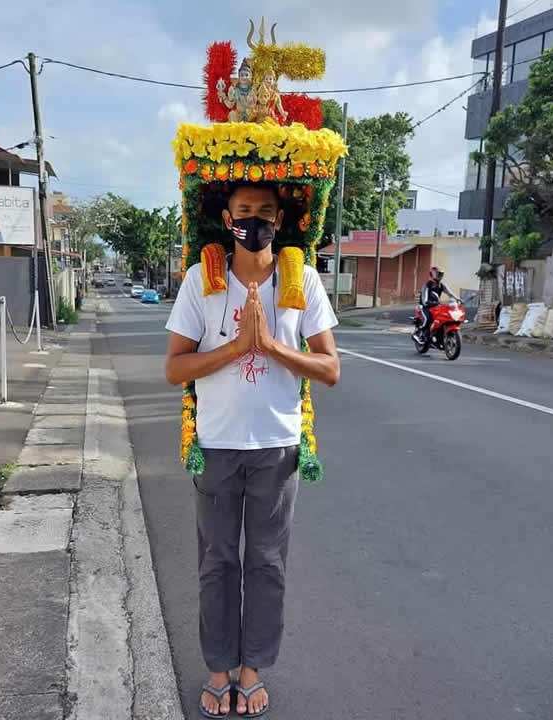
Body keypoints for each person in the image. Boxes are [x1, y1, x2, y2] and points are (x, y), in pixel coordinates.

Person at [165, 182, 340, 718]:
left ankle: (251, 670)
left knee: (266, 564)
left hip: (277, 447)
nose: (255, 220)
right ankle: (218, 669)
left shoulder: (301, 280)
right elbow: (175, 368)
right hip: (216, 446)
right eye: (245, 212)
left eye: (266, 212)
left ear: (280, 219)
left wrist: (270, 347)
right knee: (217, 564)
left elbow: (330, 369)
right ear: (227, 217)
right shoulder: (202, 279)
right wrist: (236, 348)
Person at [415, 266, 462, 342]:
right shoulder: (427, 285)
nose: (439, 276)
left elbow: (450, 293)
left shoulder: (441, 285)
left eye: (440, 274)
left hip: (436, 306)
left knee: (444, 317)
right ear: (431, 274)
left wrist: (458, 299)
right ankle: (419, 334)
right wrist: (428, 302)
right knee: (427, 319)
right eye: (437, 274)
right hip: (425, 307)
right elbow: (424, 300)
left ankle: (439, 333)